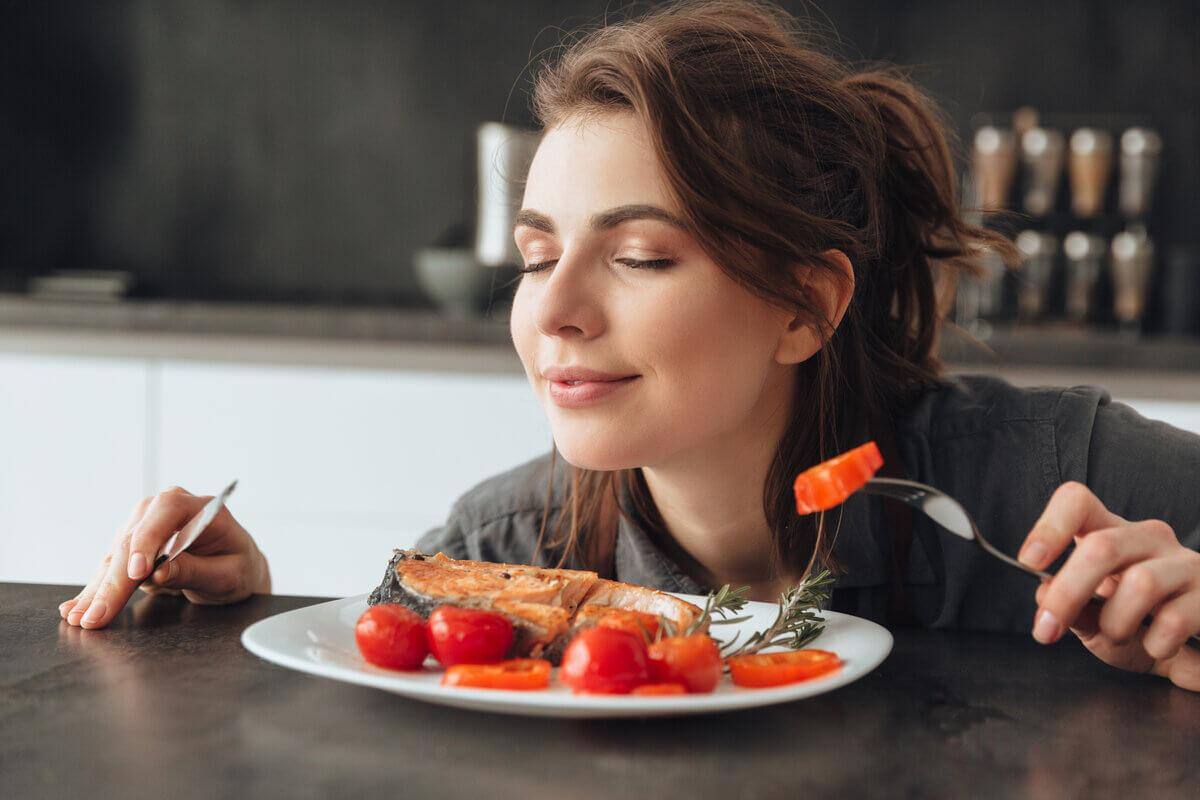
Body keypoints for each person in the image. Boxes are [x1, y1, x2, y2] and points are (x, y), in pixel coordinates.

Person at [58, 0, 1200, 691]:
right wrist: (236, 620)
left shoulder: (1063, 475)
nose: (551, 309)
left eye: (641, 255)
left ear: (804, 304)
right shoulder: (499, 547)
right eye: (534, 250)